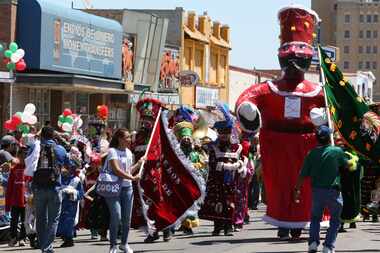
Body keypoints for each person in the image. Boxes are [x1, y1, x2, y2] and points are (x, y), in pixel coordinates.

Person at [235, 5, 326, 240]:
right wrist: (247, 109)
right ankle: (282, 222)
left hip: (307, 146)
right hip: (276, 145)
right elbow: (247, 97)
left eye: (299, 59)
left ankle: (299, 224)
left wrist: (326, 118)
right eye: (290, 58)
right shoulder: (269, 89)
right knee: (278, 186)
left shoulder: (318, 90)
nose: (294, 64)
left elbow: (335, 108)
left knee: (305, 185)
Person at [294, 125, 353, 253]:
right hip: (333, 192)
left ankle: (313, 244)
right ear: (328, 138)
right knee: (335, 220)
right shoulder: (337, 151)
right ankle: (328, 246)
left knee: (315, 218)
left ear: (317, 139)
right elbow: (347, 165)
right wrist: (353, 160)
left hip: (317, 192)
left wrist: (297, 190)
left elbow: (302, 174)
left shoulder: (311, 154)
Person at [199, 104, 244, 236]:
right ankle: (218, 226)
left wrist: (237, 166)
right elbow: (212, 163)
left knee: (230, 203)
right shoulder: (213, 147)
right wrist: (221, 166)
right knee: (217, 204)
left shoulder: (236, 147)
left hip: (231, 182)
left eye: (226, 132)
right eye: (222, 132)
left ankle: (229, 226)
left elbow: (241, 161)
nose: (224, 135)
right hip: (217, 181)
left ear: (230, 132)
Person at [31, 126, 73, 253]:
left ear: (42, 135)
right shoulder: (60, 149)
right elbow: (69, 166)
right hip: (55, 187)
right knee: (53, 219)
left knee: (40, 218)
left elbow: (28, 164)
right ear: (53, 136)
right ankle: (47, 247)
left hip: (38, 187)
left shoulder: (35, 148)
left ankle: (43, 245)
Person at [103, 128, 144, 253]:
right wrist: (132, 177)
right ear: (120, 139)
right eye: (127, 137)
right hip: (113, 188)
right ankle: (113, 245)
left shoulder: (129, 152)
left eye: (129, 137)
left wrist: (138, 164)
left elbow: (127, 171)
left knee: (127, 218)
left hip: (127, 188)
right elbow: (116, 170)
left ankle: (124, 244)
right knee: (116, 216)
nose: (130, 139)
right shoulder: (112, 151)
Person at [5, 146, 28, 247]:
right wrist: (7, 203)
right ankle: (13, 237)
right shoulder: (14, 169)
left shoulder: (29, 169)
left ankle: (22, 238)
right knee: (14, 220)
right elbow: (9, 187)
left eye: (25, 155)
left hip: (26, 200)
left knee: (25, 221)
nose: (23, 157)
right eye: (21, 155)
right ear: (18, 156)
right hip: (15, 201)